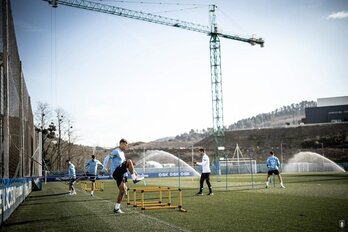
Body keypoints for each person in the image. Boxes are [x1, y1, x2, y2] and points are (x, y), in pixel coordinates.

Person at [102, 138, 144, 214]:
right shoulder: (116, 151)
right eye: (125, 145)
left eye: (126, 145)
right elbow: (107, 158)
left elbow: (126, 164)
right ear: (121, 144)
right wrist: (104, 168)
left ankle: (116, 208)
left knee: (122, 191)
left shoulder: (122, 153)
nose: (126, 147)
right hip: (116, 172)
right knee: (129, 161)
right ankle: (134, 179)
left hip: (121, 174)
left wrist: (134, 171)